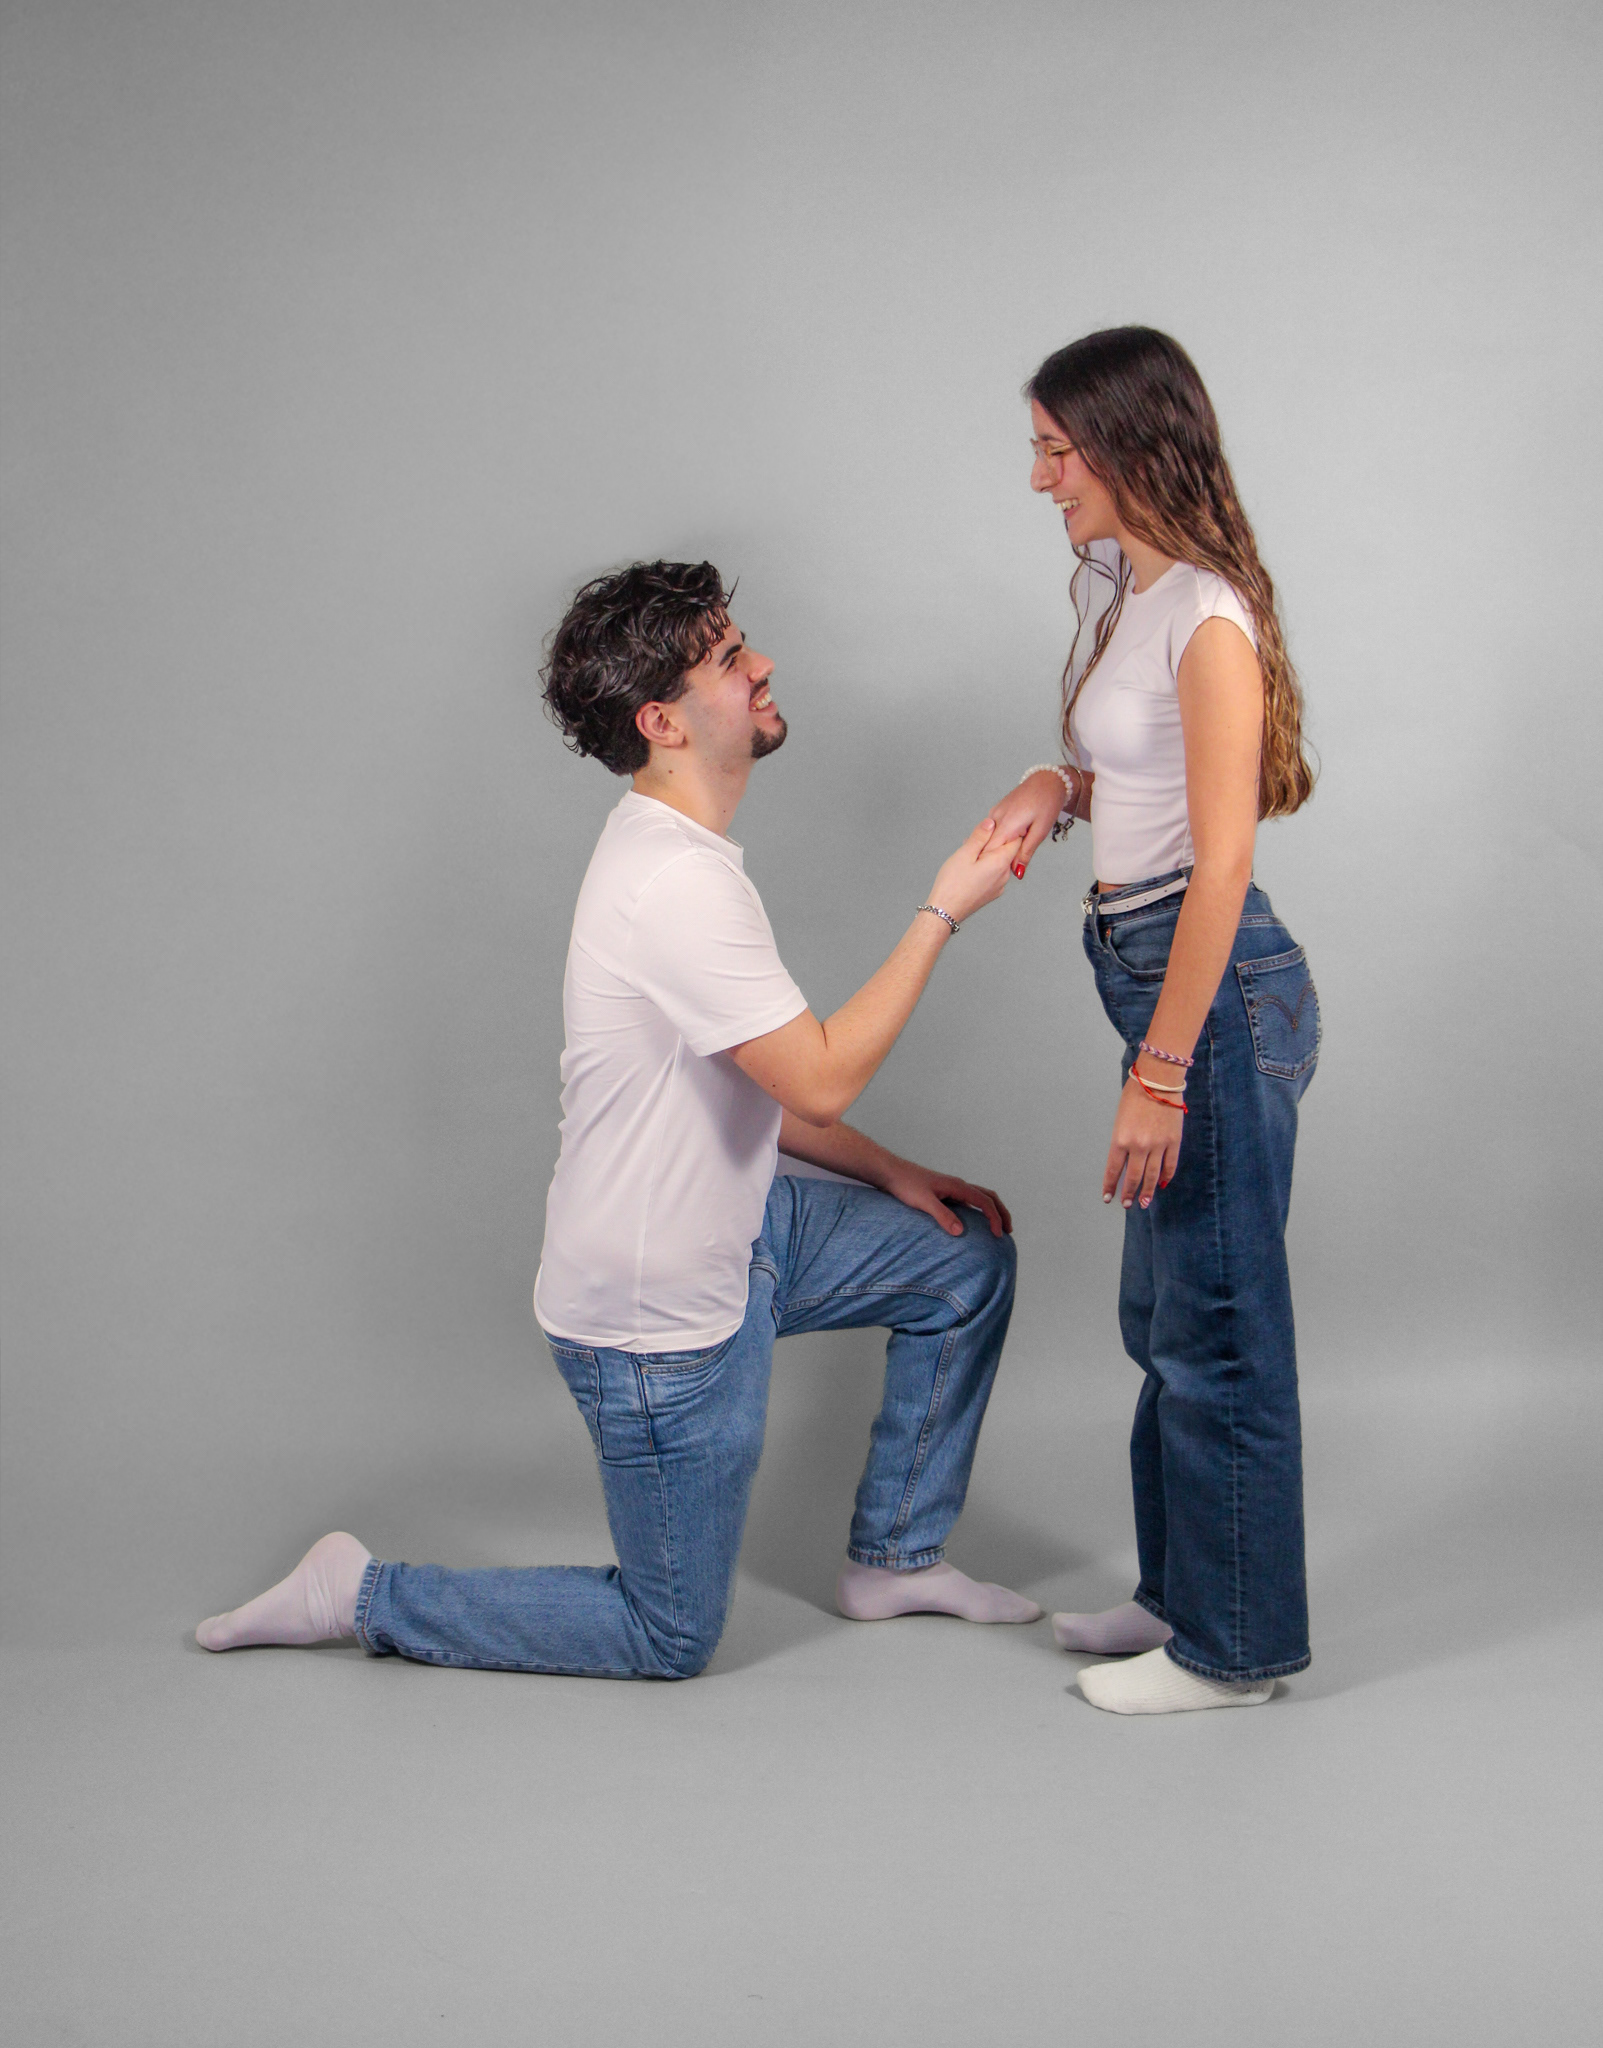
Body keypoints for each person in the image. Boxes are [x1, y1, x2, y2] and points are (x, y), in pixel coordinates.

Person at [197, 559, 1039, 1677]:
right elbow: (821, 1079)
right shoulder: (676, 885)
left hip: (743, 1234)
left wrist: (891, 1173)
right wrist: (945, 904)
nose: (763, 663)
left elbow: (761, 1079)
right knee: (667, 1632)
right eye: (731, 658)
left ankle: (893, 1560)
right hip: (656, 1322)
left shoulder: (679, 856)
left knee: (963, 1259)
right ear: (662, 722)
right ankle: (358, 1591)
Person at [983, 328, 1320, 1715]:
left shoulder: (1208, 615)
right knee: (1161, 1310)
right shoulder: (1138, 589)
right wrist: (1052, 786)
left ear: (1125, 444)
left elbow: (1221, 860)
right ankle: (1180, 1591)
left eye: (1055, 450)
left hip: (1209, 988)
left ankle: (1232, 1653)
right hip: (1158, 974)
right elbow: (1133, 773)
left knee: (1218, 1326)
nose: (1039, 478)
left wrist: (1162, 1071)